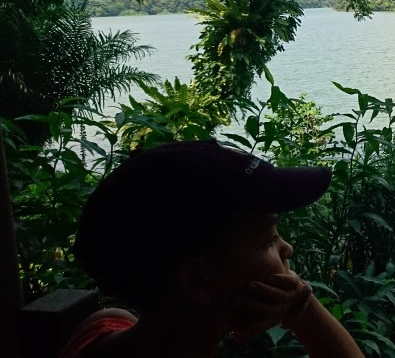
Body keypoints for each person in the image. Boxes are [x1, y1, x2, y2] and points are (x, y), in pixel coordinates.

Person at [60, 139, 364, 358]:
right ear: (196, 278)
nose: (287, 249)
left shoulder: (103, 327)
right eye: (268, 239)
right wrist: (304, 310)